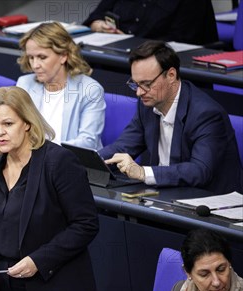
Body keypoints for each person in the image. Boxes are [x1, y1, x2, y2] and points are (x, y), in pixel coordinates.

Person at [0, 87, 99, 291]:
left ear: (27, 123)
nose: (0, 133)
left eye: (8, 123)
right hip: (4, 290)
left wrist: (38, 260)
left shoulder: (58, 162)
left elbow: (86, 224)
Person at [98, 41, 243, 194]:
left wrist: (142, 172)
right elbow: (122, 147)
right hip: (166, 194)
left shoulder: (206, 114)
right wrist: (88, 161)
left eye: (146, 84)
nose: (139, 93)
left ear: (171, 75)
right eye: (135, 84)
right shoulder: (147, 105)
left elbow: (199, 171)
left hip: (208, 202)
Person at [16, 22, 105, 150]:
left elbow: (87, 143)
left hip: (71, 164)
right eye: (31, 57)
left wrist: (41, 150)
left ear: (63, 56)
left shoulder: (90, 90)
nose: (35, 65)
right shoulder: (24, 84)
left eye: (42, 57)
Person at [82, 0, 218, 45]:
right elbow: (97, 15)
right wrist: (98, 25)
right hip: (117, 54)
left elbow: (181, 40)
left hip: (163, 68)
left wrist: (133, 44)